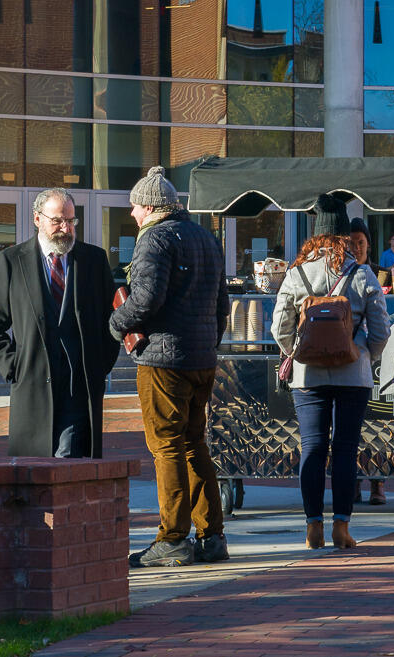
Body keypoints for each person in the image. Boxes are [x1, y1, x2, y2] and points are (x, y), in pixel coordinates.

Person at [110, 166, 230, 567]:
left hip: (163, 361)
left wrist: (115, 323)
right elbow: (221, 306)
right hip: (201, 359)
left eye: (135, 206)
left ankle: (172, 538)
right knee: (195, 444)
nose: (132, 214)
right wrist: (207, 345)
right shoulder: (206, 238)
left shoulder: (155, 238)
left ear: (151, 207)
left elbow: (145, 300)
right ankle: (211, 536)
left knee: (166, 447)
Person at [272, 194, 390, 550]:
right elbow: (381, 329)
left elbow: (279, 327)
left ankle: (312, 526)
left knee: (311, 448)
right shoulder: (363, 273)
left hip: (308, 376)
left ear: (316, 236)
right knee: (345, 448)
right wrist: (363, 353)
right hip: (353, 374)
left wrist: (296, 351)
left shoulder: (296, 273)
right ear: (344, 235)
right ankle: (342, 526)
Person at [0, 188, 119, 459]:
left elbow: (110, 320)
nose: (65, 228)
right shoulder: (11, 261)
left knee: (71, 463)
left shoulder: (94, 260)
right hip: (32, 384)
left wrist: (101, 364)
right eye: (57, 220)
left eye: (71, 221)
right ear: (37, 219)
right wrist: (12, 366)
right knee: (33, 470)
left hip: (79, 387)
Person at [349, 217, 388, 505]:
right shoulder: (342, 273)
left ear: (368, 246)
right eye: (351, 243)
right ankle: (353, 482)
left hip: (375, 359)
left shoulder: (378, 274)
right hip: (352, 359)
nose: (356, 248)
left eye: (360, 243)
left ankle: (378, 483)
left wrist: (375, 353)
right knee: (351, 429)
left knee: (379, 425)